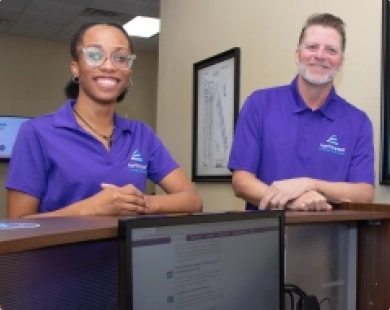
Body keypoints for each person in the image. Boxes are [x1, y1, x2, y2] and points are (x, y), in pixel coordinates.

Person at [6, 22, 202, 218]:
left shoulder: (141, 134)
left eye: (120, 58)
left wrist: (141, 203)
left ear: (129, 72)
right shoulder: (37, 132)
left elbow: (192, 200)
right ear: (76, 68)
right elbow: (19, 224)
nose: (108, 66)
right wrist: (91, 208)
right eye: (94, 55)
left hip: (130, 249)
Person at [228, 13, 374, 211]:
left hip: (331, 239)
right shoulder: (259, 104)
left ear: (341, 62)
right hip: (266, 236)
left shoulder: (358, 122)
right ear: (297, 55)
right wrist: (292, 202)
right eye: (312, 47)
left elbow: (364, 194)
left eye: (331, 50)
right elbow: (241, 182)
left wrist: (310, 184)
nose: (320, 55)